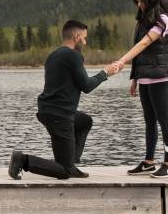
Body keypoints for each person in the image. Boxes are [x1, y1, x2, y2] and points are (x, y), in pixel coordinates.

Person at [9, 19, 108, 180]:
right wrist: (105, 73)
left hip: (49, 112)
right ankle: (23, 160)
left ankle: (70, 163)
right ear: (76, 36)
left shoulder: (53, 56)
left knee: (84, 121)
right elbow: (86, 86)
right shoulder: (73, 55)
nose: (85, 41)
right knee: (64, 172)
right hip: (60, 117)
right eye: (84, 37)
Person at [106, 0, 168, 178]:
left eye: (142, 1)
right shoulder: (143, 21)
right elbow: (141, 53)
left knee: (164, 119)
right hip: (145, 76)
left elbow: (145, 43)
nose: (139, 5)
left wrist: (121, 61)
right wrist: (135, 78)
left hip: (160, 76)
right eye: (137, 2)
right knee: (149, 120)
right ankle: (149, 162)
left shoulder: (162, 19)